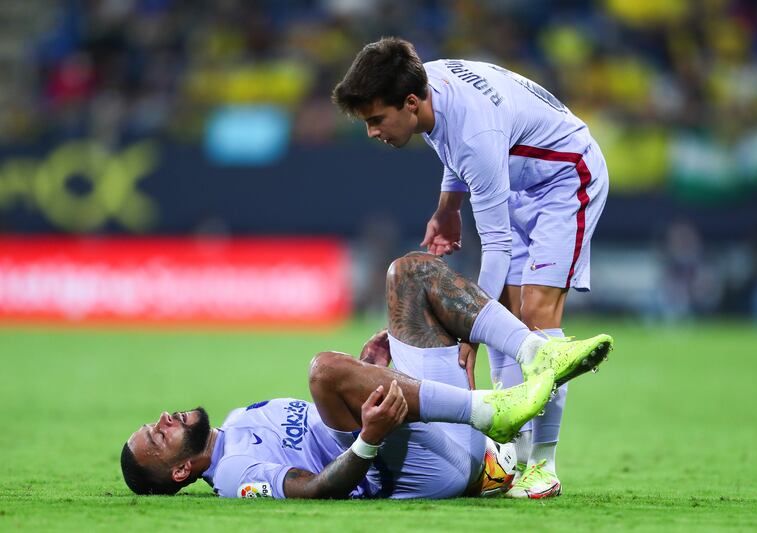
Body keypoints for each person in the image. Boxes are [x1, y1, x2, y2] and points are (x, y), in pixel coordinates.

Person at [332, 37, 610, 498]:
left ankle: (542, 466)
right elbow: (453, 148)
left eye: (377, 119)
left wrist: (469, 334)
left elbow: (494, 238)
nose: (372, 132)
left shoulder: (473, 133)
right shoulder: (429, 81)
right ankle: (510, 459)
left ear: (410, 102)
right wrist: (448, 206)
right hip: (519, 177)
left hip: (565, 179)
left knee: (535, 321)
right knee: (503, 309)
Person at [120, 252, 612, 499]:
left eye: (154, 423)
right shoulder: (234, 475)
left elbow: (332, 423)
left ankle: (533, 353)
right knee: (325, 370)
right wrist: (368, 441)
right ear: (182, 471)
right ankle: (493, 413)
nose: (162, 419)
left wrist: (372, 372)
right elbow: (314, 490)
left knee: (409, 274)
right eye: (157, 437)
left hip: (417, 437)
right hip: (407, 471)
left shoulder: (238, 419)